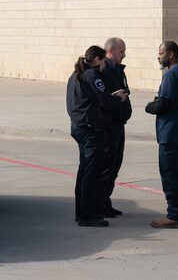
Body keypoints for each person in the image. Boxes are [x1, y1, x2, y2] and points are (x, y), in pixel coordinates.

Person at [145, 40, 178, 228]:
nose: (158, 57)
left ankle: (175, 216)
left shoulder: (171, 75)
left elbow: (164, 104)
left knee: (172, 177)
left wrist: (150, 106)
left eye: (160, 53)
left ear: (170, 55)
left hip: (172, 136)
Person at [66, 45, 109, 227]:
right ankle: (87, 216)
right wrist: (118, 98)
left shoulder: (76, 75)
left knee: (84, 171)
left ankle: (81, 212)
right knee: (91, 174)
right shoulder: (92, 75)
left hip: (78, 126)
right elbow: (104, 100)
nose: (105, 66)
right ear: (98, 59)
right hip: (90, 129)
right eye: (104, 61)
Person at [99, 37, 132, 218]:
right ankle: (100, 203)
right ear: (110, 52)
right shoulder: (104, 71)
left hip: (119, 124)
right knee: (106, 165)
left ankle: (106, 201)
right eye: (121, 51)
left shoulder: (118, 71)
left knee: (115, 165)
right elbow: (104, 98)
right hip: (109, 126)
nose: (124, 55)